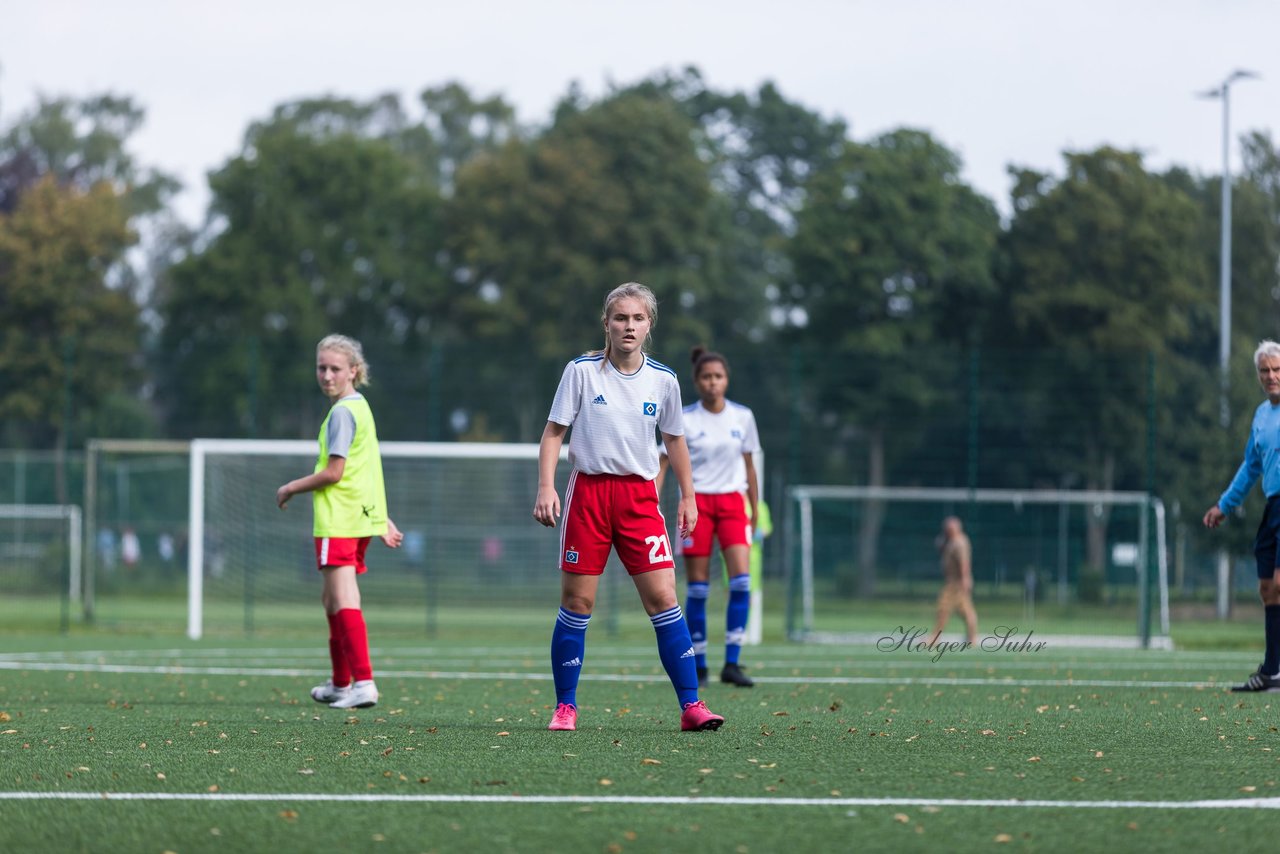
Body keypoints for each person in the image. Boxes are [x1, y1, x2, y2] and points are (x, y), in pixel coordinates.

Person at [532, 282, 724, 733]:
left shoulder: (665, 379)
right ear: (607, 323)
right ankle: (565, 707)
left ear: (649, 325)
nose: (629, 326)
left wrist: (690, 496)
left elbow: (674, 440)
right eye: (621, 318)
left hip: (640, 500)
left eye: (638, 318)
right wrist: (546, 487)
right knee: (577, 602)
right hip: (589, 497)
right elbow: (553, 433)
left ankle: (692, 706)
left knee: (663, 598)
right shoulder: (580, 372)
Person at [276, 334, 403, 710]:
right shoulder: (360, 407)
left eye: (335, 368)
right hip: (357, 518)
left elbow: (335, 473)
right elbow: (365, 473)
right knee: (332, 600)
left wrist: (290, 487)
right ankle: (340, 683)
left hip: (340, 521)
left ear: (354, 371)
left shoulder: (343, 412)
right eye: (322, 367)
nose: (327, 375)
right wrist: (381, 519)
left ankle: (363, 683)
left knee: (344, 598)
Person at [657, 347, 761, 687]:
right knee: (698, 588)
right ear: (697, 381)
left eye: (718, 376)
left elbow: (749, 466)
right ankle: (699, 664)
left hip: (732, 504)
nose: (712, 383)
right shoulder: (685, 418)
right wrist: (652, 501)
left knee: (741, 582)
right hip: (696, 504)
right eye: (706, 377)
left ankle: (732, 662)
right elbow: (663, 463)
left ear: (726, 380)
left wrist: (754, 508)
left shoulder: (743, 416)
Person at [1203, 339, 1280, 693]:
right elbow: (1250, 468)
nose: (1271, 375)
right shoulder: (1261, 417)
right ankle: (1271, 673)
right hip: (1273, 506)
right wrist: (1224, 505)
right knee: (1267, 588)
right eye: (1265, 370)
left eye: (1277, 369)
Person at [926, 516, 979, 647]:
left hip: (956, 582)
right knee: (965, 610)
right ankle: (972, 637)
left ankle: (935, 637)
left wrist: (965, 579)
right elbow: (939, 547)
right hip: (953, 581)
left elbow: (964, 563)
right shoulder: (951, 541)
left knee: (943, 608)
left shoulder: (959, 543)